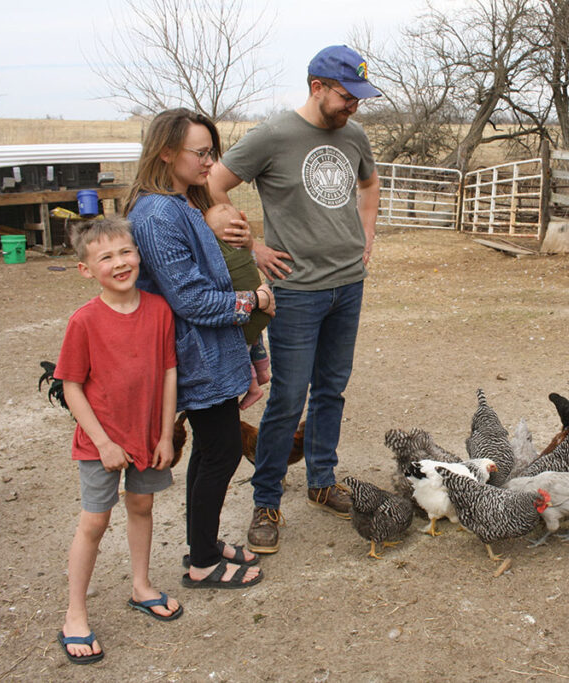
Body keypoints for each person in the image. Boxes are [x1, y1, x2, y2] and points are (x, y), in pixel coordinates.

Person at [208, 44, 381, 554]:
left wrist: (367, 235)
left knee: (332, 388)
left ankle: (322, 481)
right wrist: (253, 245)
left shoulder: (354, 135)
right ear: (317, 88)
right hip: (296, 292)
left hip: (348, 285)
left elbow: (369, 184)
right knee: (287, 397)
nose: (354, 107)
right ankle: (266, 501)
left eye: (359, 99)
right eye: (348, 97)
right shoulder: (274, 135)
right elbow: (215, 185)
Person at [126, 108, 274, 586]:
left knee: (214, 450)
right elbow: (189, 298)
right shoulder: (155, 214)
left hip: (213, 349)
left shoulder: (182, 203)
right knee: (222, 451)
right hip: (196, 355)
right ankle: (203, 563)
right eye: (202, 153)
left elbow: (214, 268)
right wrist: (251, 301)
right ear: (167, 152)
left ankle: (203, 546)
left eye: (214, 152)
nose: (212, 162)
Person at [55, 217, 180, 664]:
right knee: (94, 522)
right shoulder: (84, 322)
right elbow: (71, 386)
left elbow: (168, 372)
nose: (119, 263)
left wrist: (165, 434)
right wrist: (105, 443)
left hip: (148, 438)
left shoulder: (160, 310)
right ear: (86, 270)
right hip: (100, 444)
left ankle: (141, 586)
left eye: (125, 252)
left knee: (142, 506)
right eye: (105, 257)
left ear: (138, 254)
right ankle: (75, 614)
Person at [203, 202, 272, 410]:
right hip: (261, 308)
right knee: (257, 343)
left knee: (243, 351)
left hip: (244, 312)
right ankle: (263, 372)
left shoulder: (221, 258)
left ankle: (253, 387)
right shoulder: (246, 250)